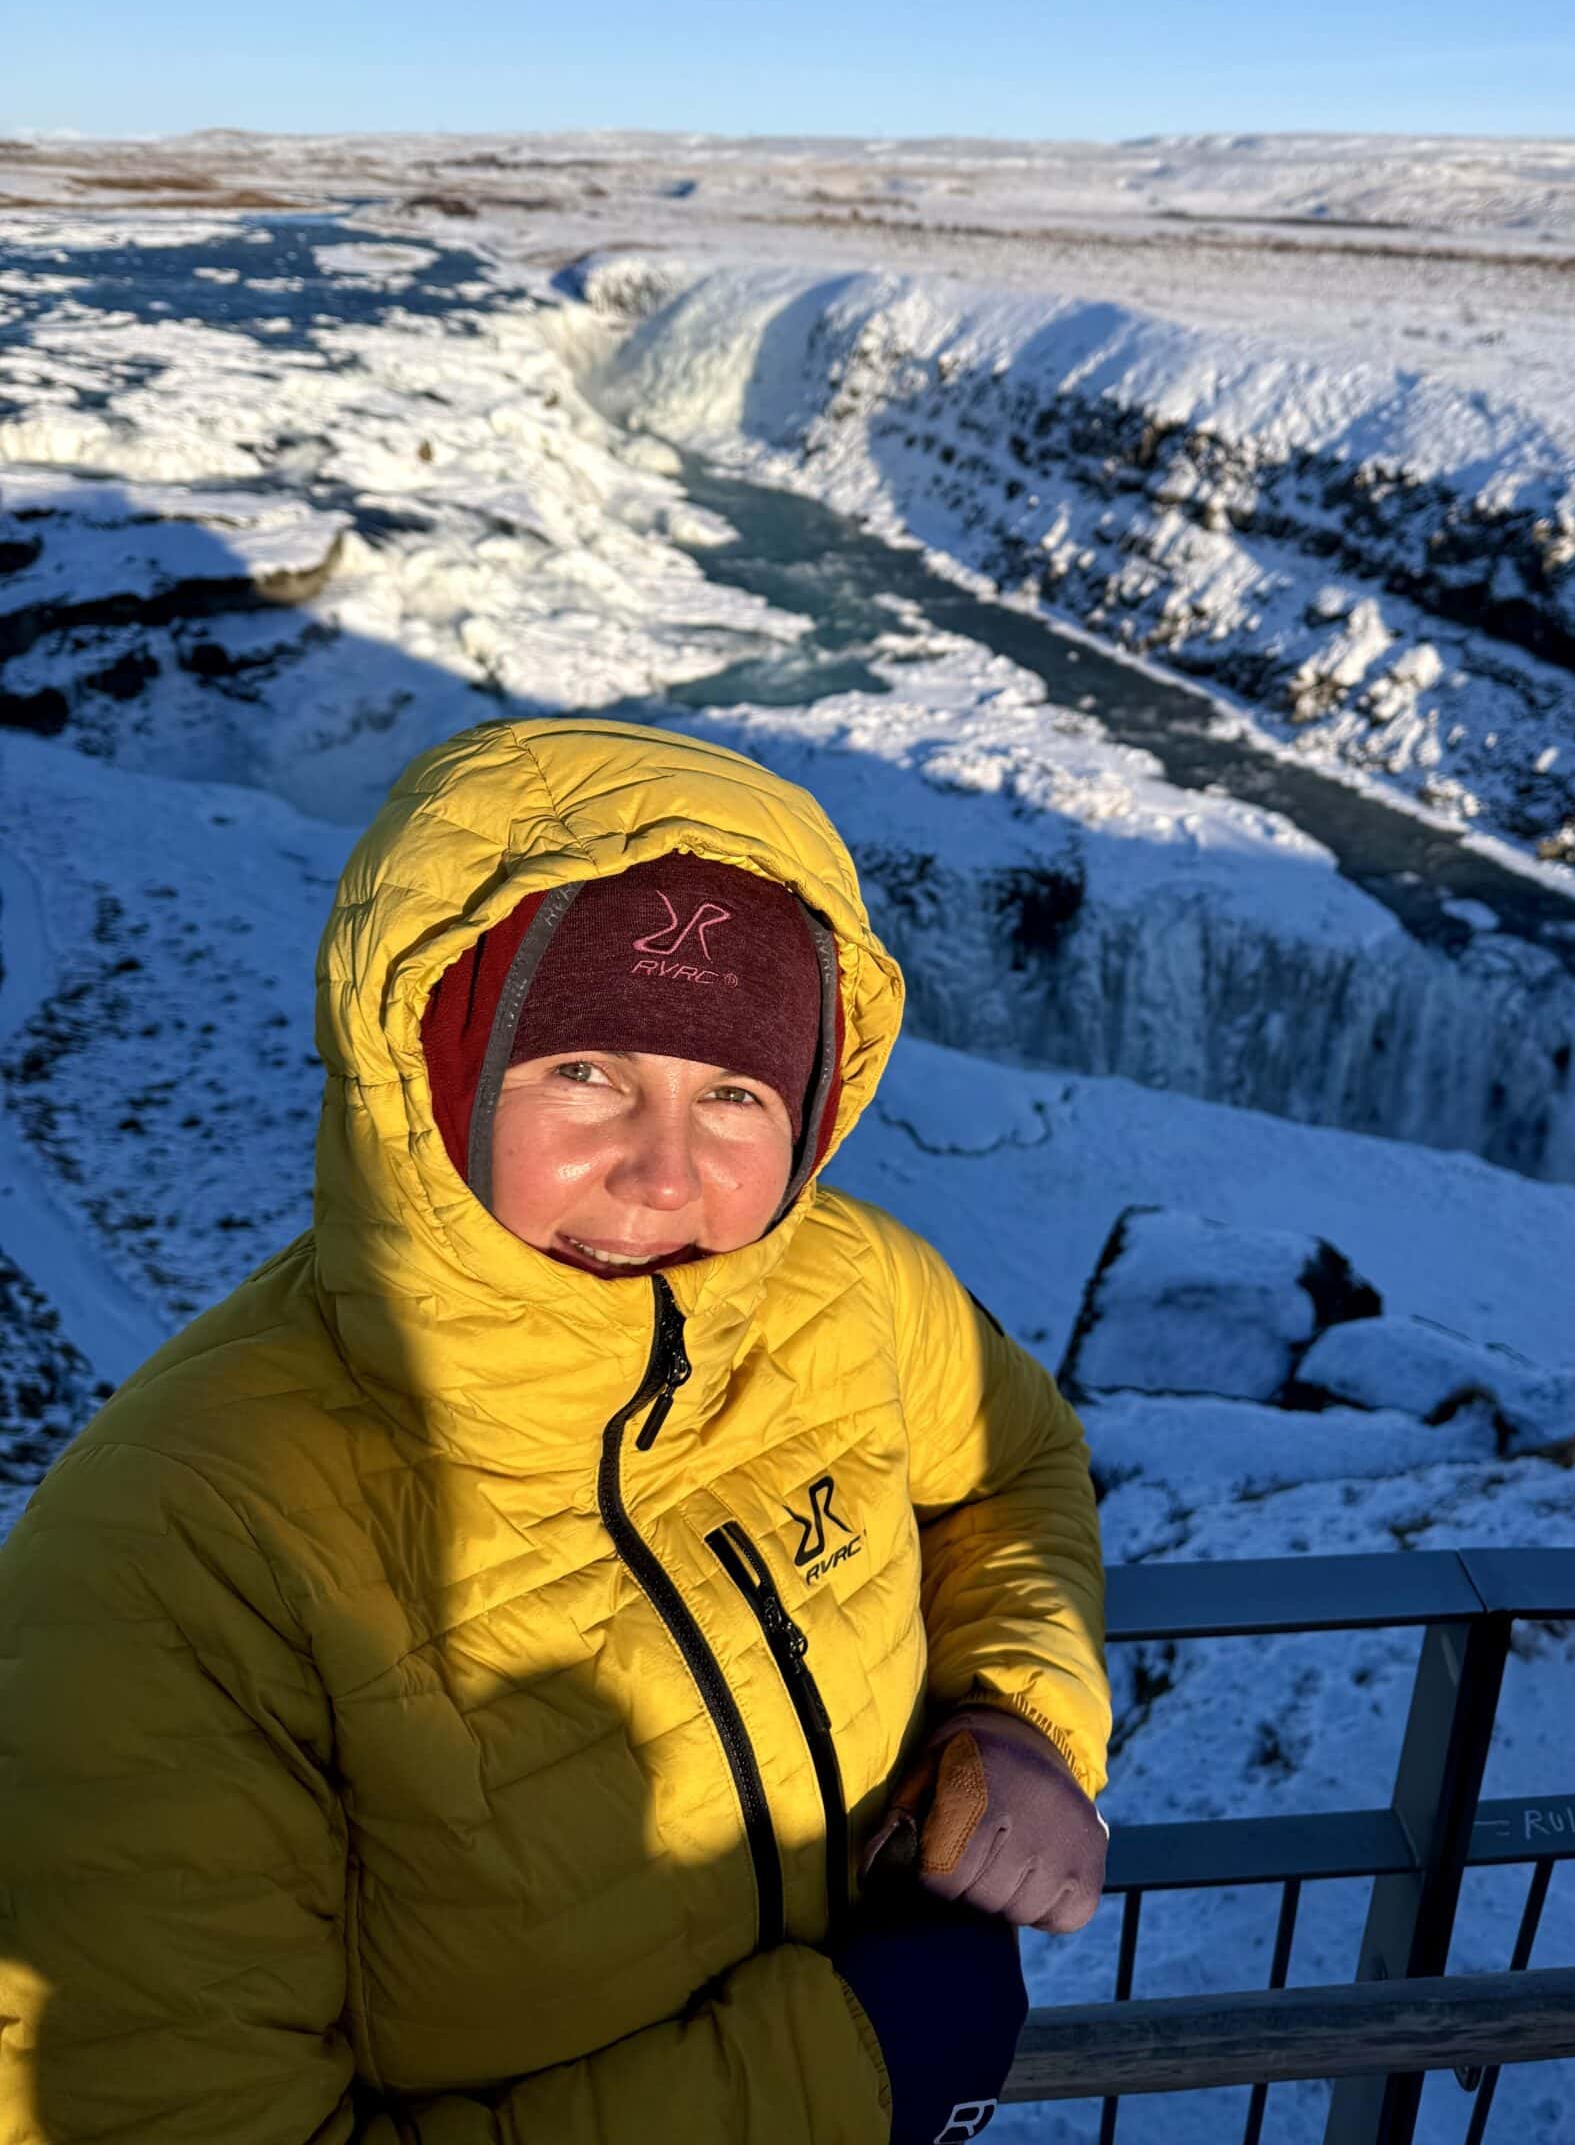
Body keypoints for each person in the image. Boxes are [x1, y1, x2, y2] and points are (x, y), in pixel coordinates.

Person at [0, 717, 1111, 2144]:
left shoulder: (859, 1288)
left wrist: (1019, 1715)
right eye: (583, 1070)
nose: (661, 1174)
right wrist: (845, 2073)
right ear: (432, 1074)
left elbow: (1013, 1474)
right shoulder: (179, 1549)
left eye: (733, 1094)